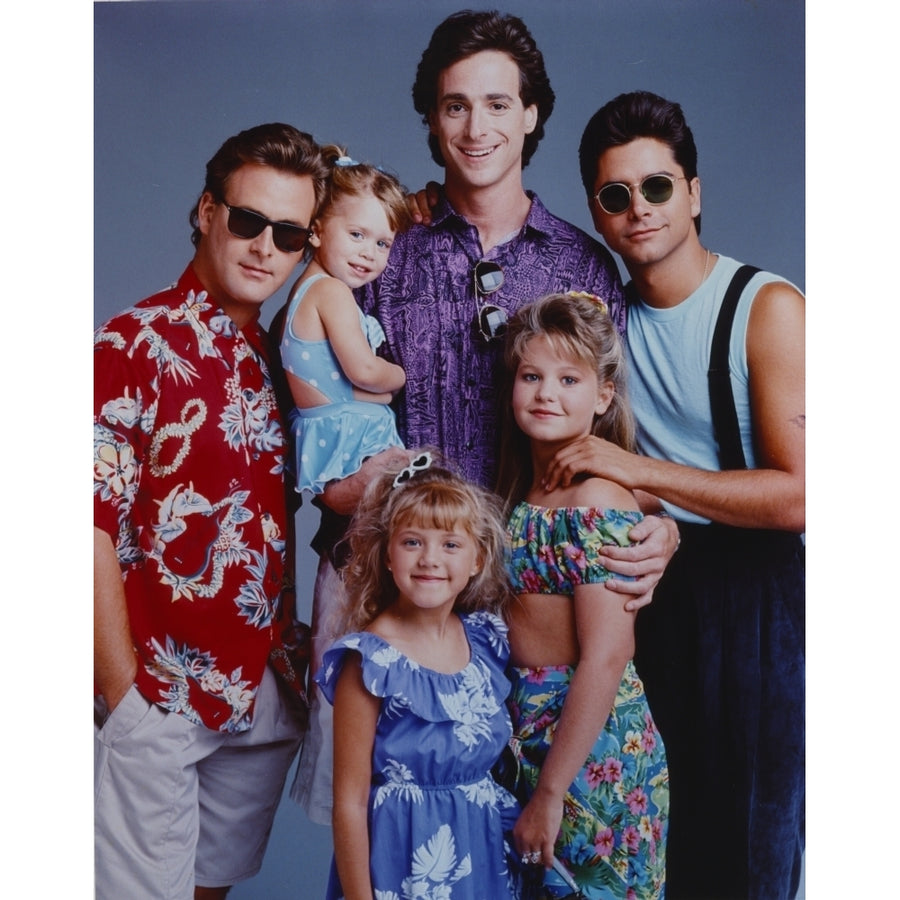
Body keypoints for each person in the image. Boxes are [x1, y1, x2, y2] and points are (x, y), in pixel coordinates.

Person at [293, 7, 680, 828]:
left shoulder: (580, 264)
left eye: (499, 103)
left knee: (518, 850)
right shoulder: (385, 247)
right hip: (403, 590)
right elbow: (309, 395)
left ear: (533, 114)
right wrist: (336, 487)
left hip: (537, 611)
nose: (477, 127)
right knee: (395, 837)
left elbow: (614, 443)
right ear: (432, 119)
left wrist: (658, 520)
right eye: (456, 104)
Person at [552, 90, 804, 900]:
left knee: (749, 851)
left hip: (754, 598)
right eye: (616, 196)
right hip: (646, 590)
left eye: (658, 187)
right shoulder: (604, 322)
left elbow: (801, 496)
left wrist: (641, 474)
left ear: (694, 192)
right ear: (597, 211)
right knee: (647, 850)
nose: (640, 211)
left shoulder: (765, 309)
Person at [93, 123, 329, 900]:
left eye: (290, 234)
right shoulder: (131, 342)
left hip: (259, 689)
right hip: (157, 690)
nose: (266, 247)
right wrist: (122, 694)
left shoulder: (284, 360)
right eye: (249, 221)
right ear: (206, 211)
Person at [496, 292, 668, 900]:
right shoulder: (533, 488)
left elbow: (607, 654)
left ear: (602, 395)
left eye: (569, 378)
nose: (546, 393)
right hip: (536, 736)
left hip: (590, 752)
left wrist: (550, 794)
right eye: (531, 376)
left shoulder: (596, 498)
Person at [318, 455, 522, 900]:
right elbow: (349, 804)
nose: (430, 559)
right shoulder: (369, 661)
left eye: (451, 545)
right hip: (401, 863)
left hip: (480, 854)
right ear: (388, 555)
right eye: (412, 542)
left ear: (476, 560)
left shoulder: (486, 641)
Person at [278, 146, 413, 495]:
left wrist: (375, 397)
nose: (369, 252)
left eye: (383, 243)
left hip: (331, 426)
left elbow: (330, 386)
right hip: (352, 436)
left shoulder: (303, 291)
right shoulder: (331, 292)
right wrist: (399, 376)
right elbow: (365, 372)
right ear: (318, 231)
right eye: (357, 235)